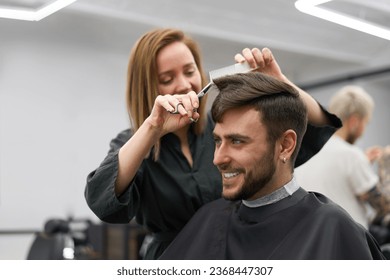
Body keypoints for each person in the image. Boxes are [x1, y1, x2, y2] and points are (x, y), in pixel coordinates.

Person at [84, 28, 341, 259]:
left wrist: (280, 82)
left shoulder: (222, 128)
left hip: (239, 252)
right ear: (147, 87)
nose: (184, 85)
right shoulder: (136, 142)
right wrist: (152, 129)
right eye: (166, 79)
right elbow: (102, 200)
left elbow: (315, 126)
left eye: (189, 71)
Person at [159, 72, 385, 260]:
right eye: (218, 141)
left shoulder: (332, 229)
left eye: (237, 141)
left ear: (285, 145)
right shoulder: (208, 220)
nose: (218, 158)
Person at [294, 86, 390, 231]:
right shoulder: (351, 155)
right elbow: (385, 206)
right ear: (354, 121)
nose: (363, 130)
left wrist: (363, 163)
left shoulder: (305, 151)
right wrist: (386, 162)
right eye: (365, 123)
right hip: (346, 245)